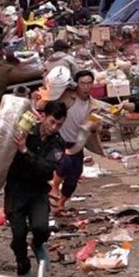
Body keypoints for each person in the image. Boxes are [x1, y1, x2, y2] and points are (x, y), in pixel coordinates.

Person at [5, 100, 67, 277]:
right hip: (16, 189)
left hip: (38, 190)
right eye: (52, 122)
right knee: (18, 234)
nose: (54, 127)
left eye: (59, 124)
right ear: (44, 117)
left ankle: (38, 244)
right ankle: (22, 264)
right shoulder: (26, 130)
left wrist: (25, 151)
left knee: (40, 228)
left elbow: (47, 170)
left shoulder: (57, 143)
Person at [50, 70, 100, 214]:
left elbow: (97, 127)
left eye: (89, 83)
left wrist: (94, 127)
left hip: (77, 143)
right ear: (76, 84)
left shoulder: (94, 105)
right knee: (64, 163)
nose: (86, 87)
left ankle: (61, 203)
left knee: (74, 176)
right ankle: (54, 188)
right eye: (82, 83)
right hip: (59, 139)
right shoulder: (66, 96)